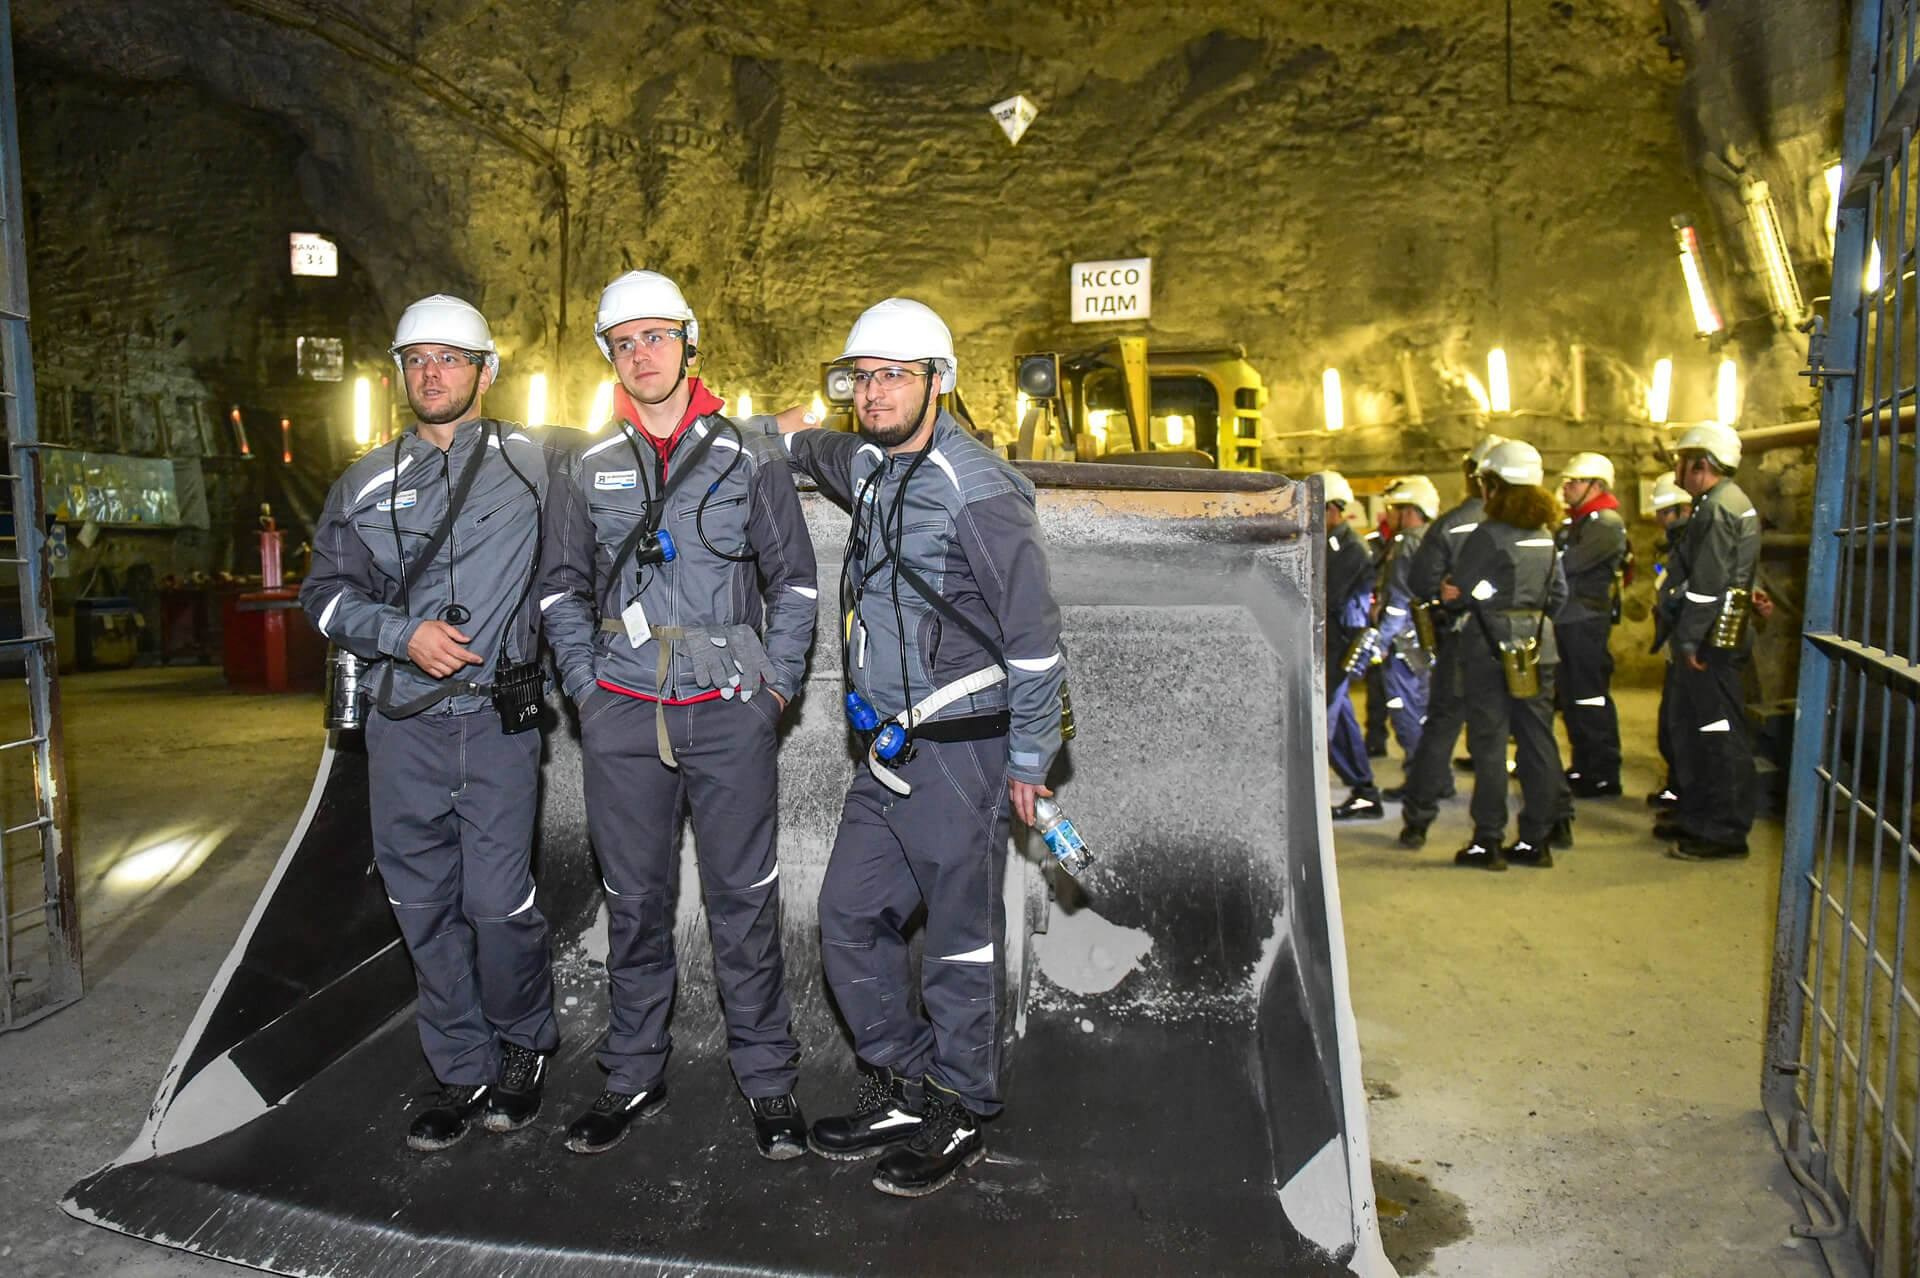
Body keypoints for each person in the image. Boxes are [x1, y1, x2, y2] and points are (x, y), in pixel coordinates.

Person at [762, 298, 1066, 1199]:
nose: (874, 392)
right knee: (849, 915)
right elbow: (809, 447)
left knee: (959, 943)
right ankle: (902, 1084)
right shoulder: (871, 465)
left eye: (895, 375)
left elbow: (1035, 640)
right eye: (861, 377)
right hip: (886, 752)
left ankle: (961, 1108)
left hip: (963, 754)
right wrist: (767, 431)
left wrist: (1030, 761)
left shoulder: (981, 489)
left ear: (941, 382)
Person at [537, 270, 818, 1158]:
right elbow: (560, 589)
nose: (641, 354)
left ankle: (768, 1080)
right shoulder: (586, 464)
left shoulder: (747, 453)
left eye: (656, 336)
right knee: (633, 900)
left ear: (689, 344)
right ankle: (632, 1073)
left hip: (729, 706)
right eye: (624, 343)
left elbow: (796, 581)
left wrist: (775, 689)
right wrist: (586, 690)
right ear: (610, 357)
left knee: (745, 900)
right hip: (622, 708)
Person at [300, 295, 559, 1150]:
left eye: (450, 358)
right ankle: (461, 1067)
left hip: (496, 720)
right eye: (416, 360)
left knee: (498, 902)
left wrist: (775, 433)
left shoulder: (534, 460)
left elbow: (647, 448)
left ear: (486, 371)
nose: (431, 373)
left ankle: (523, 1046)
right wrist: (398, 633)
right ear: (399, 374)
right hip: (402, 723)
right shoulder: (364, 481)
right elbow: (324, 595)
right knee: (420, 902)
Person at [1441, 440, 1570, 870]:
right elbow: (1559, 595)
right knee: (1538, 740)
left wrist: (1459, 596)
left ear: (1494, 486)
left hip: (1489, 648)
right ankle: (1537, 839)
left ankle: (1488, 841)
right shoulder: (1546, 536)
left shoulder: (1488, 536)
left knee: (1490, 744)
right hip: (1538, 646)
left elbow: (1463, 591)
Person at [1656, 422, 1760, 861]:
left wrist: (1689, 640)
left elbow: (1708, 585)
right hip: (1709, 633)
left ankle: (1725, 831)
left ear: (1701, 463)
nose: (1677, 467)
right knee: (1695, 730)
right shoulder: (1717, 503)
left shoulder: (1717, 509)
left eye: (1682, 460)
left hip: (1710, 640)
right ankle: (1698, 814)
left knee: (1718, 734)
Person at [1396, 434, 1504, 846]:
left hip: (1460, 641)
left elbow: (1421, 582)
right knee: (1493, 740)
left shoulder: (1452, 523)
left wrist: (1446, 596)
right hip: (1506, 645)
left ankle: (1418, 821)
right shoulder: (1528, 527)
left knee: (1441, 729)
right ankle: (1495, 834)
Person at [1554, 453, 1629, 798]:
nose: (1567, 487)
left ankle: (1602, 771)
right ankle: (1583, 765)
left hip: (1585, 622)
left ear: (1597, 485)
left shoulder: (1605, 524)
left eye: (1575, 481)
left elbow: (1565, 564)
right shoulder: (1577, 522)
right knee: (1572, 698)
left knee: (1589, 697)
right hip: (1568, 619)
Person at [1321, 472, 1382, 821]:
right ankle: (1364, 792)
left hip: (1340, 644)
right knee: (1340, 719)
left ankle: (1312, 798)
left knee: (1321, 722)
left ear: (1332, 509)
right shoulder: (1332, 542)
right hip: (1331, 642)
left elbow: (1327, 594)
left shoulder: (1349, 547)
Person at [1372, 475, 1439, 760]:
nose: (1388, 515)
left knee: (1404, 708)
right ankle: (1432, 772)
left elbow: (1398, 601)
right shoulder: (1432, 538)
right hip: (1426, 639)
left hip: (1403, 641)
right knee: (1424, 706)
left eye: (1393, 509)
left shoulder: (1405, 543)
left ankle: (1417, 770)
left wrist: (1381, 641)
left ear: (1409, 510)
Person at [1646, 474, 1693, 812]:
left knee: (1682, 724)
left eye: (1666, 512)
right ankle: (1678, 788)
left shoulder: (1693, 543)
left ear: (1684, 509)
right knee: (1672, 722)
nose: (1661, 520)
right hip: (1676, 642)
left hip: (1689, 643)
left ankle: (1686, 794)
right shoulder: (1675, 545)